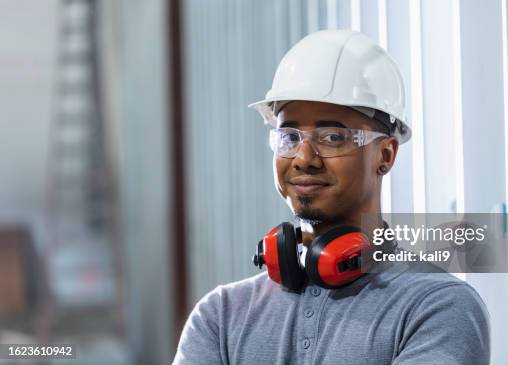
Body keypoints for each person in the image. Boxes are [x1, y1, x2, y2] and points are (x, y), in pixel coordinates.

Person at [173, 29, 490, 365]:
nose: (303, 158)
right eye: (289, 136)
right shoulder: (220, 316)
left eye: (332, 137)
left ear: (385, 155)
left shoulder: (437, 307)